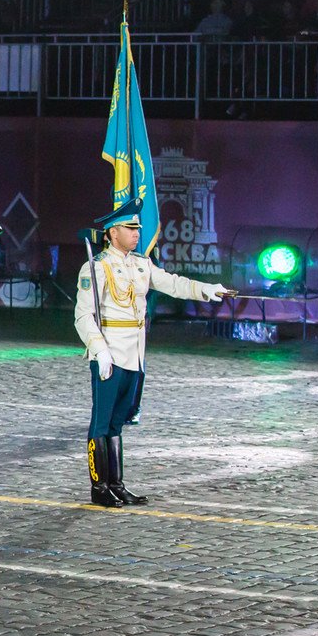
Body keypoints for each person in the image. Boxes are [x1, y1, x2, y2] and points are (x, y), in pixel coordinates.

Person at [73, 201, 231, 507]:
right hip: (110, 352)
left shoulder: (141, 264)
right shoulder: (96, 267)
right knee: (101, 422)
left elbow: (173, 284)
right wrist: (99, 350)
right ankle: (99, 486)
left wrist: (206, 289)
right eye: (130, 229)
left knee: (118, 421)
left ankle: (117, 484)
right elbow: (83, 315)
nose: (136, 234)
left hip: (134, 352)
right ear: (112, 232)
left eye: (137, 229)